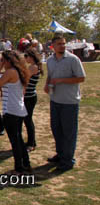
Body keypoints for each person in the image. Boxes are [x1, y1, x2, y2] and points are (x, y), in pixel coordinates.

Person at [44, 35, 86, 171]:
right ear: (53, 46)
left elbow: (81, 78)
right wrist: (47, 84)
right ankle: (61, 154)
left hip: (69, 101)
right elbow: (50, 75)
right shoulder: (50, 60)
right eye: (59, 44)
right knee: (56, 129)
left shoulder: (73, 59)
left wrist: (61, 81)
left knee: (69, 132)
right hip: (55, 100)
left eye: (63, 44)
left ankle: (67, 160)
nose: (62, 46)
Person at [0, 50, 31, 174]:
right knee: (18, 139)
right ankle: (25, 164)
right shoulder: (20, 71)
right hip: (18, 109)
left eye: (3, 60)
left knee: (15, 141)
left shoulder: (10, 72)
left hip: (11, 111)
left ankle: (19, 168)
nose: (2, 63)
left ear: (8, 61)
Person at [23, 48, 42, 152]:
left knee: (28, 120)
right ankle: (31, 141)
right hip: (29, 96)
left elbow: (24, 80)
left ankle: (31, 144)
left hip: (29, 97)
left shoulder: (33, 67)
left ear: (31, 57)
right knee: (27, 120)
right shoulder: (32, 66)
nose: (25, 58)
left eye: (26, 56)